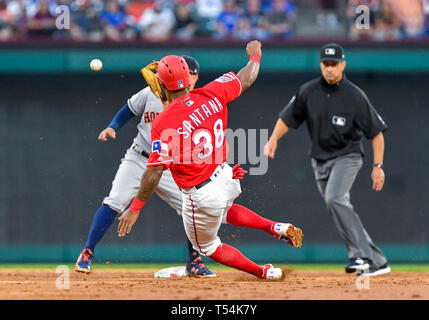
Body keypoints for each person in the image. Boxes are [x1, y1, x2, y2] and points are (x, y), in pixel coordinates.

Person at [116, 40, 303, 280]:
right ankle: (275, 227)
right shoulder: (211, 91)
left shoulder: (163, 124)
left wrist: (135, 208)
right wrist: (255, 56)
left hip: (201, 193)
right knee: (223, 211)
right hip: (224, 176)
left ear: (162, 87)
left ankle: (265, 272)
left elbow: (154, 172)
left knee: (208, 247)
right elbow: (247, 77)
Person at [75, 56, 216, 278]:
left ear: (194, 77)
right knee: (115, 201)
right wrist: (113, 126)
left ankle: (194, 262)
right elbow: (128, 110)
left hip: (171, 166)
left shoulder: (198, 102)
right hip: (140, 158)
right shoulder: (150, 92)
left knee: (192, 209)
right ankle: (87, 253)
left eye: (186, 71)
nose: (181, 74)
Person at [264, 43, 390, 277]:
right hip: (319, 160)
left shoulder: (355, 96)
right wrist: (273, 139)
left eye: (334, 64)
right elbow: (288, 118)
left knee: (335, 198)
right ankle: (378, 261)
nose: (330, 68)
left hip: (348, 156)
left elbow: (376, 133)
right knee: (339, 206)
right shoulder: (308, 91)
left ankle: (359, 256)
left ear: (343, 65)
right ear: (321, 65)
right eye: (326, 64)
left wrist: (378, 166)